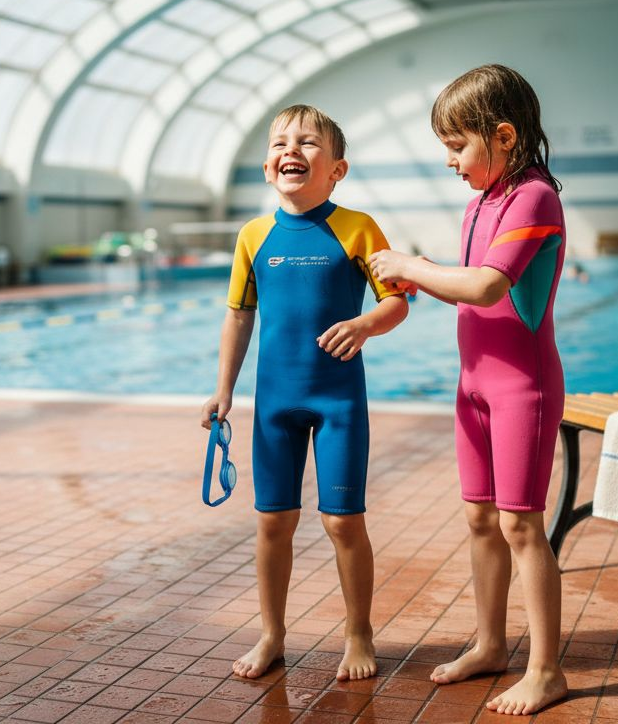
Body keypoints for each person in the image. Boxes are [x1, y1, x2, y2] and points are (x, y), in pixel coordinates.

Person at [367, 64, 569, 716]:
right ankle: (490, 643)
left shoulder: (534, 196)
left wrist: (415, 267)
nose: (450, 161)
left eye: (458, 146)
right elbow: (464, 287)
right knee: (480, 519)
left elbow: (486, 286)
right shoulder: (479, 203)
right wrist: (411, 283)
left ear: (503, 136)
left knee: (520, 525)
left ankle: (546, 670)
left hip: (522, 390)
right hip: (473, 388)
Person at [201, 104, 409, 683]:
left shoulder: (357, 227)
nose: (292, 150)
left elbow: (396, 301)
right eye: (280, 143)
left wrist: (366, 325)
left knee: (343, 523)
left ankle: (358, 631)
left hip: (339, 400)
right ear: (269, 168)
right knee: (273, 522)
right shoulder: (253, 236)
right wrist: (224, 393)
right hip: (275, 405)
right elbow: (238, 316)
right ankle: (271, 633)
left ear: (336, 169)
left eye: (309, 142)